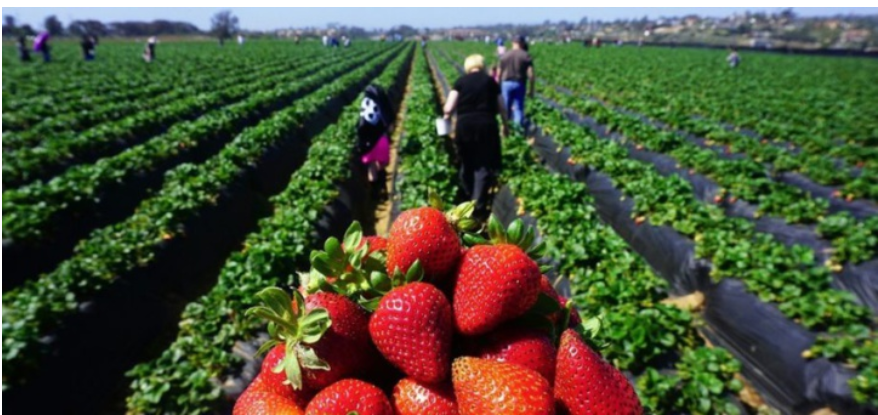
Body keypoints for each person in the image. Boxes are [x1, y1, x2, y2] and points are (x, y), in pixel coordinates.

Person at [443, 54, 510, 221]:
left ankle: (466, 198)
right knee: (483, 165)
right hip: (486, 125)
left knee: (467, 162)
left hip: (465, 126)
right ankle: (478, 206)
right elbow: (502, 107)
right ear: (482, 65)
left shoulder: (461, 82)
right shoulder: (490, 82)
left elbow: (448, 107)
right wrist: (505, 125)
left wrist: (446, 121)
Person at [357, 85, 394, 199]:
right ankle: (383, 189)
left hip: (368, 142)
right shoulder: (382, 104)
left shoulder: (366, 103)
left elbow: (361, 124)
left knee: (371, 168)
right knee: (381, 165)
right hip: (381, 139)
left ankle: (374, 193)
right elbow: (390, 125)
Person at [498, 35, 534, 129]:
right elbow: (531, 74)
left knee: (506, 107)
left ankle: (506, 128)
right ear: (522, 43)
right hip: (519, 83)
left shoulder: (505, 55)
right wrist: (531, 89)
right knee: (518, 108)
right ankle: (517, 131)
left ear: (513, 43)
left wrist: (497, 86)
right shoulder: (525, 55)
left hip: (506, 83)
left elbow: (499, 73)